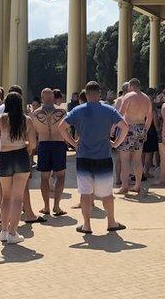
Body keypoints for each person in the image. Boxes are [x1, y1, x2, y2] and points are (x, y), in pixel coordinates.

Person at [65, 81, 127, 235]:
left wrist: (73, 143)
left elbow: (61, 127)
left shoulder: (77, 110)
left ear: (85, 94)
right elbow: (124, 126)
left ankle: (87, 225)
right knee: (107, 193)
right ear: (99, 94)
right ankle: (111, 222)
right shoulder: (109, 110)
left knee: (85, 193)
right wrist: (115, 143)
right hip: (103, 156)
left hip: (84, 156)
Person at [0, 92, 37, 244]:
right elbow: (33, 143)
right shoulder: (26, 120)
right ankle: (13, 232)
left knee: (6, 197)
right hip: (21, 156)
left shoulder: (2, 118)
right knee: (18, 198)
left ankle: (3, 230)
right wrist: (28, 148)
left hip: (5, 157)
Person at [30, 88, 74, 215]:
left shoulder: (35, 113)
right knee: (60, 176)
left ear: (42, 98)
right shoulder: (62, 111)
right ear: (53, 97)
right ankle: (57, 206)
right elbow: (67, 128)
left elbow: (34, 132)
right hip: (59, 144)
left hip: (44, 145)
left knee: (44, 177)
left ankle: (46, 207)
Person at [115, 78, 154, 195]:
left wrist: (113, 128)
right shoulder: (147, 98)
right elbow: (150, 117)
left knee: (125, 159)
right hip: (141, 128)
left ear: (130, 86)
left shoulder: (128, 96)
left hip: (128, 128)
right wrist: (145, 130)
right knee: (137, 160)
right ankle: (137, 185)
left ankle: (124, 186)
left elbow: (120, 114)